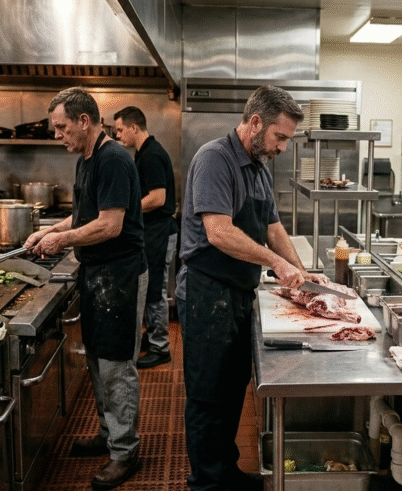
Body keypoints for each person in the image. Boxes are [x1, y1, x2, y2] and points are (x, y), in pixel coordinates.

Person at [177, 85, 320, 491]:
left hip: (238, 293)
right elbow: (219, 233)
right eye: (281, 137)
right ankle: (206, 483)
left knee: (232, 387)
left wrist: (302, 273)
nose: (283, 148)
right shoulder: (214, 159)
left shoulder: (258, 164)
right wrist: (276, 265)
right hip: (208, 293)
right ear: (256, 123)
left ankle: (226, 472)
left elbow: (272, 227)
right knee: (207, 395)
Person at [24, 87, 147, 489]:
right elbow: (82, 216)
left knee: (116, 364)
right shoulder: (85, 159)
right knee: (97, 357)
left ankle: (125, 453)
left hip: (121, 277)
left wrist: (62, 241)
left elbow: (110, 225)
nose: (57, 135)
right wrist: (47, 230)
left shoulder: (112, 159)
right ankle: (109, 434)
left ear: (84, 121)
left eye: (61, 127)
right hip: (97, 275)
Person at [113, 106, 177, 369]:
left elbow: (158, 198)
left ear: (134, 127)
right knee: (152, 288)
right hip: (153, 232)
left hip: (159, 233)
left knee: (154, 291)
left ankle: (161, 348)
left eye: (119, 130)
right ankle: (153, 336)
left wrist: (126, 209)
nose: (118, 136)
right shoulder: (144, 153)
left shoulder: (151, 155)